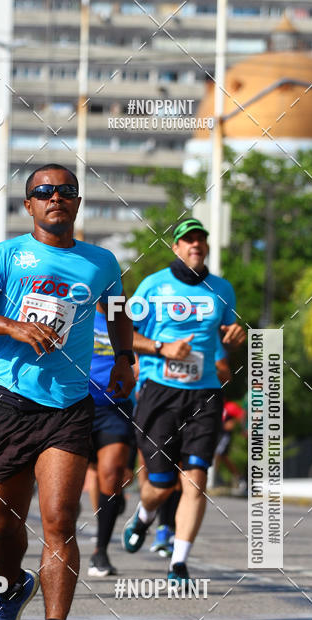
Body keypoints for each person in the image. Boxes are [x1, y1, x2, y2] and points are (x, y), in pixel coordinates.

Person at [0, 163, 135, 620]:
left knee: (59, 520)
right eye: (44, 192)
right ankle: (11, 590)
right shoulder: (6, 256)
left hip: (69, 404)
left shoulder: (100, 262)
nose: (56, 198)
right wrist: (11, 326)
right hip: (9, 401)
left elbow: (118, 312)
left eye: (66, 191)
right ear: (28, 205)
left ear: (78, 203)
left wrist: (124, 359)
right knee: (5, 528)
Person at [122, 218, 245, 582]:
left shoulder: (222, 290)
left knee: (196, 479)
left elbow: (226, 336)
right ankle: (144, 517)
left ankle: (179, 561)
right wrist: (162, 348)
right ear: (176, 247)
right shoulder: (153, 286)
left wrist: (234, 336)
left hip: (205, 394)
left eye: (201, 240)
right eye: (188, 240)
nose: (196, 245)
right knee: (160, 484)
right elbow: (125, 333)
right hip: (160, 392)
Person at [86, 301, 136, 576]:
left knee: (111, 471)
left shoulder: (125, 319)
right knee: (85, 474)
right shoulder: (80, 313)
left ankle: (100, 551)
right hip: (76, 404)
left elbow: (140, 344)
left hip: (115, 406)